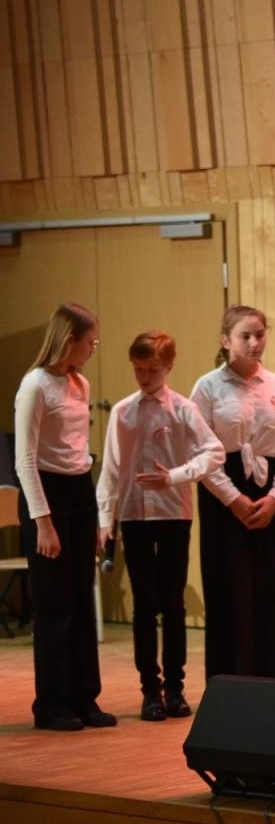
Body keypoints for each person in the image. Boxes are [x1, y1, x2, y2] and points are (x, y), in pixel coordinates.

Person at [96, 331, 222, 722]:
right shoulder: (122, 411)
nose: (144, 377)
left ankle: (175, 688)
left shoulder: (183, 409)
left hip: (173, 514)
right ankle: (149, 690)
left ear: (169, 367)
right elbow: (112, 469)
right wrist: (105, 519)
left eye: (152, 370)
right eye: (138, 369)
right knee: (144, 605)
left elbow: (214, 452)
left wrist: (177, 476)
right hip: (134, 515)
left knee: (173, 603)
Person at [191, 305, 275, 682]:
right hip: (224, 492)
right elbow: (200, 452)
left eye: (260, 334)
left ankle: (271, 683)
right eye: (246, 336)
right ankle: (230, 686)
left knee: (269, 592)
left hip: (266, 493)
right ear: (226, 341)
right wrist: (233, 499)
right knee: (230, 591)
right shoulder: (208, 387)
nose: (255, 342)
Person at [17, 304, 109, 731]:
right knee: (56, 605)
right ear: (69, 340)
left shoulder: (80, 383)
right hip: (47, 495)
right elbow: (24, 460)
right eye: (90, 342)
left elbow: (77, 449)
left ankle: (84, 696)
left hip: (79, 489)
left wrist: (92, 514)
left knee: (80, 598)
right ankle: (52, 703)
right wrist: (44, 522)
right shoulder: (35, 386)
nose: (94, 348)